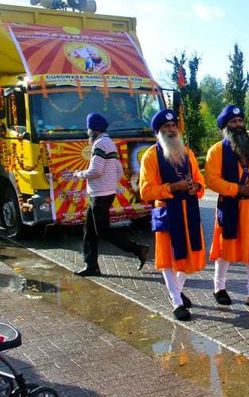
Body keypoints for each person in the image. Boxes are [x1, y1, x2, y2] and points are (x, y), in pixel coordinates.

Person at [206, 105, 249, 310]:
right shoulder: (217, 150)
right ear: (225, 126)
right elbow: (212, 180)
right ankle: (219, 288)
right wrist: (238, 189)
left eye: (240, 121)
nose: (238, 125)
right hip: (230, 206)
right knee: (224, 250)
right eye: (233, 122)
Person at [139, 109, 206, 321]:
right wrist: (173, 187)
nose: (171, 129)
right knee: (169, 260)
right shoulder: (151, 156)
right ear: (158, 131)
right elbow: (146, 191)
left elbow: (199, 180)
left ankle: (175, 290)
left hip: (189, 211)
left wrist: (196, 186)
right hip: (168, 213)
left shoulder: (188, 153)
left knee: (191, 254)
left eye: (173, 126)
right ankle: (177, 302)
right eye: (166, 127)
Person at [74, 112, 149, 277]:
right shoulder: (110, 143)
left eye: (88, 129)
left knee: (103, 231)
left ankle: (138, 249)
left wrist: (79, 174)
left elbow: (96, 170)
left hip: (100, 195)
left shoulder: (100, 144)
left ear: (93, 130)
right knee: (89, 231)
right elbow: (118, 170)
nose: (87, 133)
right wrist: (111, 185)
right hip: (103, 193)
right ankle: (91, 265)